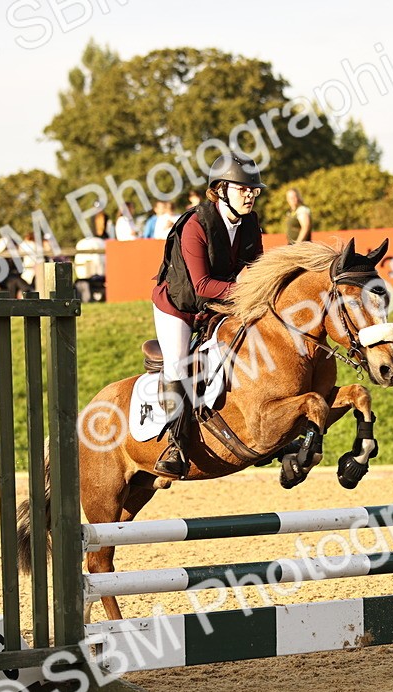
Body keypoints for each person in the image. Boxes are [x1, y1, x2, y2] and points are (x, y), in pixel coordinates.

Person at [151, 151, 265, 478]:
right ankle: (175, 444)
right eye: (243, 188)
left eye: (253, 189)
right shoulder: (195, 225)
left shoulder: (250, 224)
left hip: (219, 304)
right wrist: (246, 290)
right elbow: (201, 285)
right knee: (178, 363)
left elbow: (255, 270)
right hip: (180, 306)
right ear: (220, 190)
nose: (250, 194)